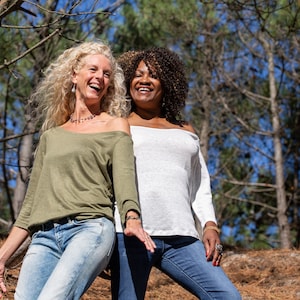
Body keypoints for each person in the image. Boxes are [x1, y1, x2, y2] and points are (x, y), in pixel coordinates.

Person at [0, 41, 155, 300]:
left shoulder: (115, 125)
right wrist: (2, 258)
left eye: (106, 74)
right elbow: (29, 209)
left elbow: (125, 178)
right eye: (93, 69)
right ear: (74, 75)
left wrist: (132, 216)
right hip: (44, 238)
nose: (100, 78)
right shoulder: (51, 136)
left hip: (90, 229)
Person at [110, 47, 241, 300]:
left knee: (227, 296)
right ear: (128, 81)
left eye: (154, 75)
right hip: (130, 234)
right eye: (138, 74)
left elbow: (199, 183)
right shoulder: (117, 123)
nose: (144, 80)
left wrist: (209, 225)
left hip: (182, 237)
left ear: (167, 84)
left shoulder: (185, 128)